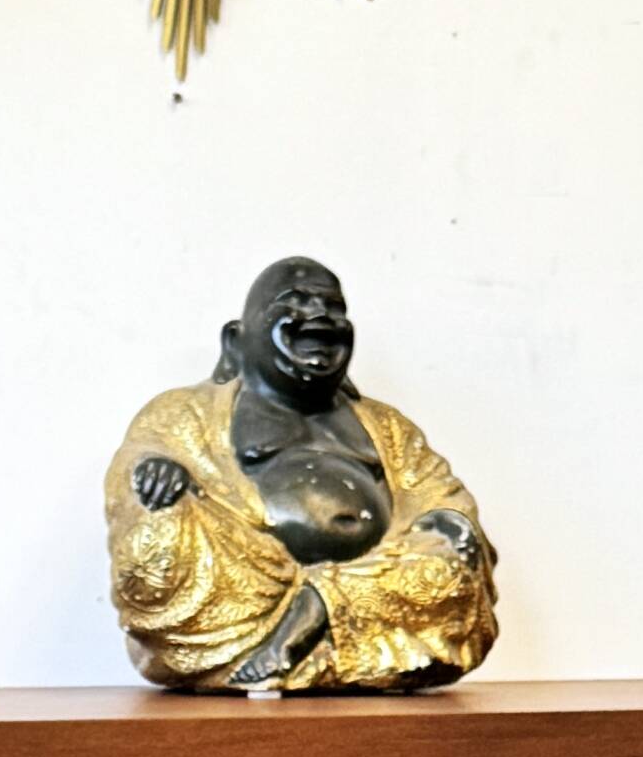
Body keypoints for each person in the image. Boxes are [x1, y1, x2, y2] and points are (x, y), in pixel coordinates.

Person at [108, 258, 498, 690]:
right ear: (236, 340)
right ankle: (284, 629)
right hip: (247, 579)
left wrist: (450, 521)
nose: (319, 314)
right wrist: (155, 471)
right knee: (161, 527)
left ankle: (308, 618)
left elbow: (437, 490)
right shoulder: (185, 412)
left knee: (446, 567)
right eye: (294, 302)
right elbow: (140, 460)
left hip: (376, 580)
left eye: (334, 306)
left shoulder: (385, 426)